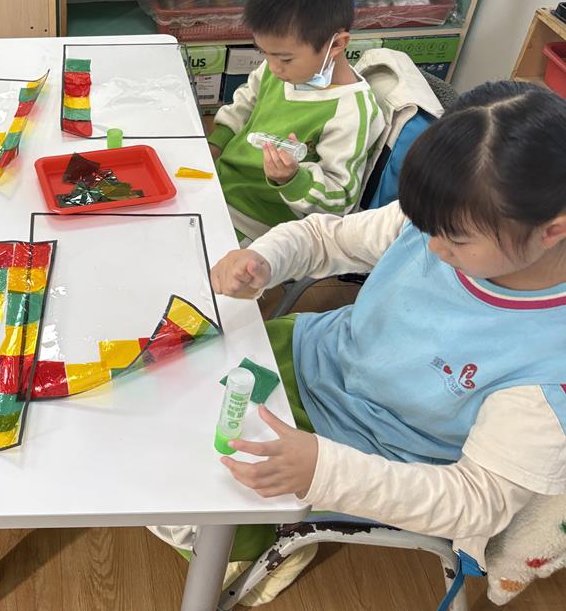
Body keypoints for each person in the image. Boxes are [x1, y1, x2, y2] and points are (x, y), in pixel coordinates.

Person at [205, 81, 566, 599]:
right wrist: (265, 259)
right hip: (308, 355)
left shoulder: (550, 364)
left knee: (199, 489)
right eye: (425, 226)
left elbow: (477, 501)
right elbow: (325, 236)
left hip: (369, 452)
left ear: (552, 231)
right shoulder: (446, 217)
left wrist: (326, 471)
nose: (431, 247)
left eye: (456, 240)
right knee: (170, 398)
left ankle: (266, 546)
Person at [207, 0, 385, 241]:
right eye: (264, 53)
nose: (273, 67)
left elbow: (340, 199)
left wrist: (293, 179)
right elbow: (243, 105)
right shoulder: (281, 69)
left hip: (260, 223)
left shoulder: (351, 112)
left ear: (336, 44)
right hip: (219, 186)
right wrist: (214, 146)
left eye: (285, 58)